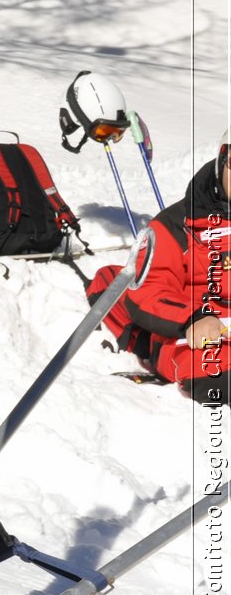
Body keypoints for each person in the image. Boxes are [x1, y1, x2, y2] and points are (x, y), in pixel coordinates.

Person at [87, 132, 230, 405]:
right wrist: (194, 319)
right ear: (221, 161)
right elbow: (151, 290)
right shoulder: (176, 225)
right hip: (198, 338)